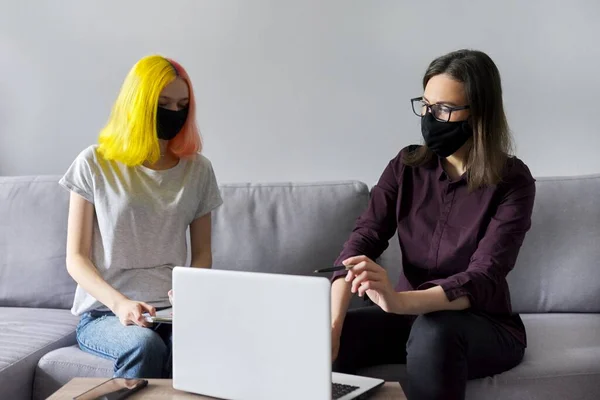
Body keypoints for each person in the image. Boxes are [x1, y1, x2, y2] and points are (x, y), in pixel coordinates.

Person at [330, 49, 536, 400]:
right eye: (425, 105)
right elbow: (362, 240)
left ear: (479, 114)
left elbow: (483, 278)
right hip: (407, 317)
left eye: (443, 109)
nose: (429, 117)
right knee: (314, 338)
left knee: (433, 331)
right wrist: (332, 326)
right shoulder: (405, 166)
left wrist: (398, 301)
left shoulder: (513, 182)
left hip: (479, 324)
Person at [60, 55, 223, 378]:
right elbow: (75, 258)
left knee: (204, 343)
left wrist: (189, 292)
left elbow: (203, 253)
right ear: (138, 104)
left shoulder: (198, 170)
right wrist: (120, 304)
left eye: (182, 105)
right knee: (146, 345)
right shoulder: (94, 163)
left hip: (174, 311)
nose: (173, 113)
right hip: (107, 313)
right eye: (163, 103)